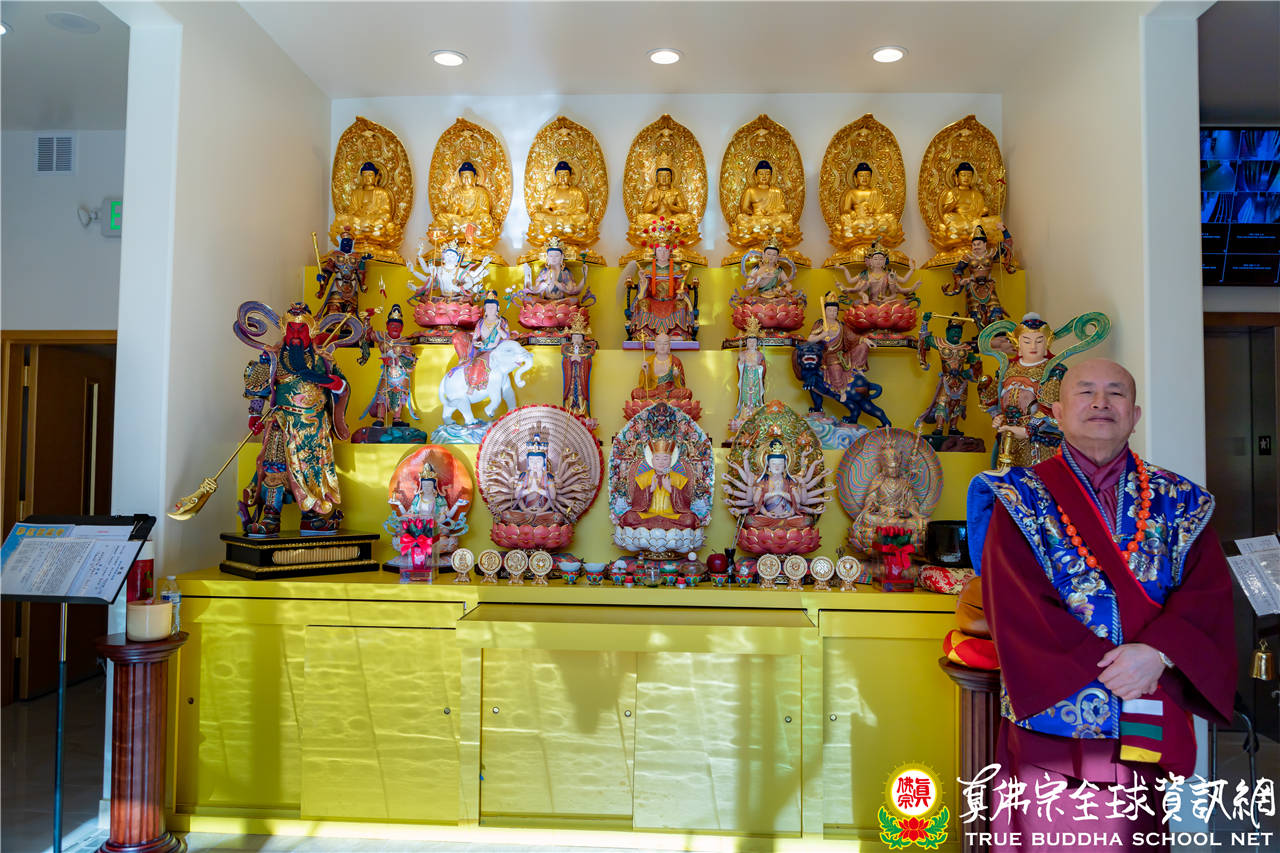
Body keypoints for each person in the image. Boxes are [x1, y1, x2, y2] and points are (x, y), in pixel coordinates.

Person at [966, 359, 1236, 853]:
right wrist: (1119, 668)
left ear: (1135, 414)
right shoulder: (1020, 497)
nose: (1100, 402)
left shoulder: (1179, 500)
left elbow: (1207, 593)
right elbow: (1016, 603)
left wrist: (1156, 654)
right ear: (1056, 412)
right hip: (1054, 722)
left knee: (1135, 837)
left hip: (1144, 711)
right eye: (1085, 391)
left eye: (1115, 393)